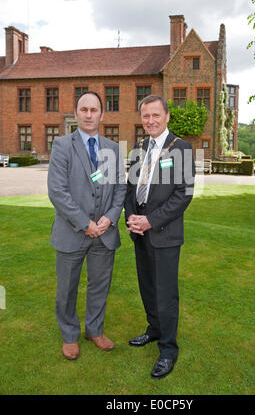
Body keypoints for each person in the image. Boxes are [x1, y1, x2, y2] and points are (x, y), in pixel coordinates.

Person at [48, 91, 126, 360]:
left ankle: (95, 330)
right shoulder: (61, 146)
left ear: (102, 115)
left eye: (94, 110)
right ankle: (70, 335)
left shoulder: (113, 148)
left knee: (99, 286)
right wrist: (85, 223)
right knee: (66, 288)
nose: (89, 114)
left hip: (104, 234)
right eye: (84, 109)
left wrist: (110, 218)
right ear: (77, 113)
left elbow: (120, 188)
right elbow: (57, 192)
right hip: (72, 233)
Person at [125, 95, 195, 379]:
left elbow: (183, 195)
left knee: (166, 293)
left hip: (164, 234)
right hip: (140, 233)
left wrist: (151, 221)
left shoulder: (181, 148)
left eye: (155, 115)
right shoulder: (138, 148)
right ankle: (154, 329)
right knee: (147, 287)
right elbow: (130, 189)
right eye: (145, 116)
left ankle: (168, 350)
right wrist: (131, 218)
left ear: (166, 116)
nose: (150, 121)